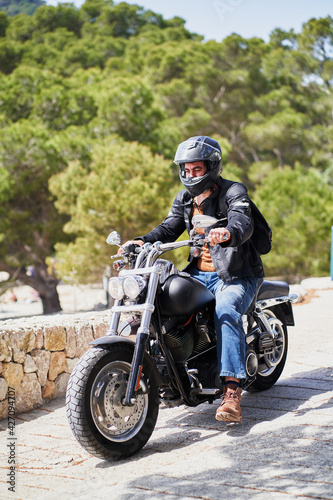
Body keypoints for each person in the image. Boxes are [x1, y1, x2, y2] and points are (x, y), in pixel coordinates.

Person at [122, 136, 264, 423]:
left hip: (236, 274)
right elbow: (169, 227)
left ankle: (232, 392)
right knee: (160, 301)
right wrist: (141, 240)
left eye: (196, 169)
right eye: (185, 170)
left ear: (211, 167)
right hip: (199, 273)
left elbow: (242, 220)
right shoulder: (185, 198)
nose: (190, 175)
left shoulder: (232, 191)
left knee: (226, 310)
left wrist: (228, 232)